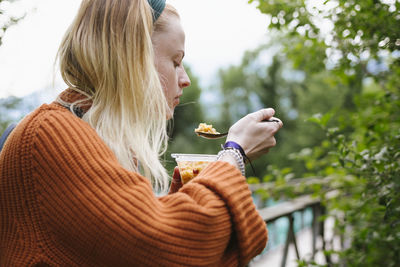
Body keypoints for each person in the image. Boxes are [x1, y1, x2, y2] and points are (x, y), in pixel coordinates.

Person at [0, 0, 283, 266]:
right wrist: (234, 153)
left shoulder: (98, 140)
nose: (185, 79)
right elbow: (165, 247)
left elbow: (118, 249)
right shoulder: (50, 135)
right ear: (132, 58)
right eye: (175, 61)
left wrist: (183, 198)